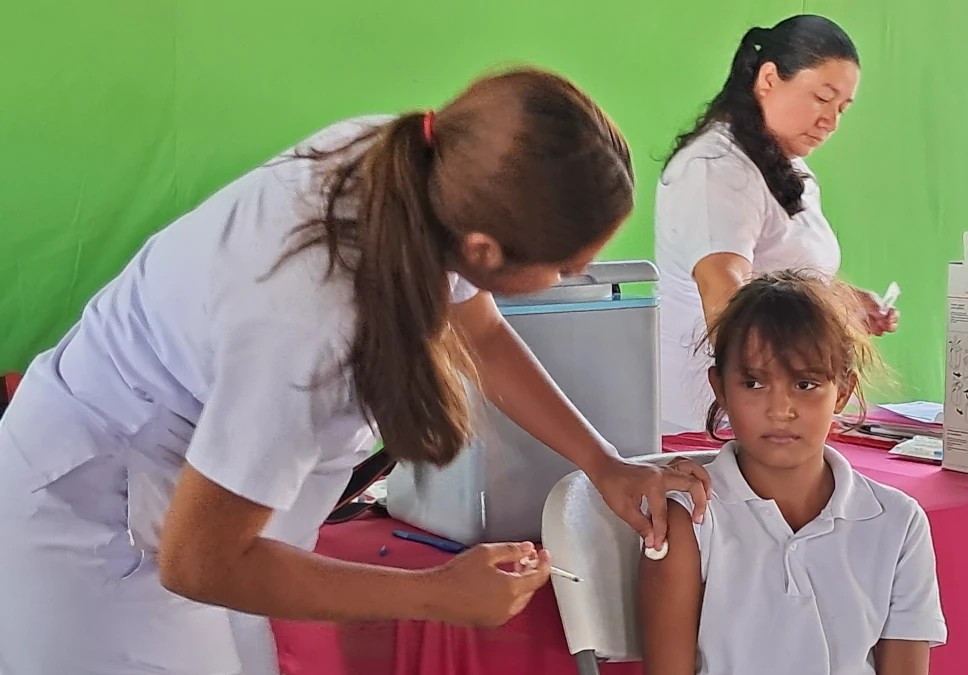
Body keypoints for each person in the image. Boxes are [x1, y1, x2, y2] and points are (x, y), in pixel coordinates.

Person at [0, 68, 711, 675]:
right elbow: (199, 562)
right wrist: (436, 593)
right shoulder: (309, 327)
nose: (574, 278)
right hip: (94, 525)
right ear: (484, 249)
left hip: (197, 502)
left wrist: (604, 463)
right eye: (565, 266)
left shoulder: (420, 168)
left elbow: (482, 332)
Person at [638, 270, 946, 675]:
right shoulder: (688, 519)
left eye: (805, 384)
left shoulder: (898, 522)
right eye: (753, 383)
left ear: (843, 392)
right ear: (720, 388)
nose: (780, 410)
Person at [655, 15, 899, 433]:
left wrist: (839, 304)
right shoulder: (715, 168)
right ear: (768, 79)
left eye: (842, 108)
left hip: (772, 415)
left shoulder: (788, 166)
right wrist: (776, 405)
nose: (831, 121)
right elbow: (726, 299)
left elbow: (780, 278)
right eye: (822, 98)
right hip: (714, 424)